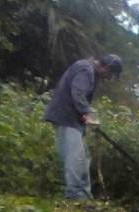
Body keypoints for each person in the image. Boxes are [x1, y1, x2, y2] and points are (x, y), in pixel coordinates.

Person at [44, 54, 123, 199]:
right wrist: (88, 112)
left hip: (73, 121)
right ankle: (75, 197)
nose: (108, 78)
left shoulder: (88, 69)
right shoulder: (86, 70)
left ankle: (84, 197)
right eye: (110, 74)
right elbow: (78, 93)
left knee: (84, 157)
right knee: (76, 158)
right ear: (106, 67)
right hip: (66, 118)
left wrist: (86, 116)